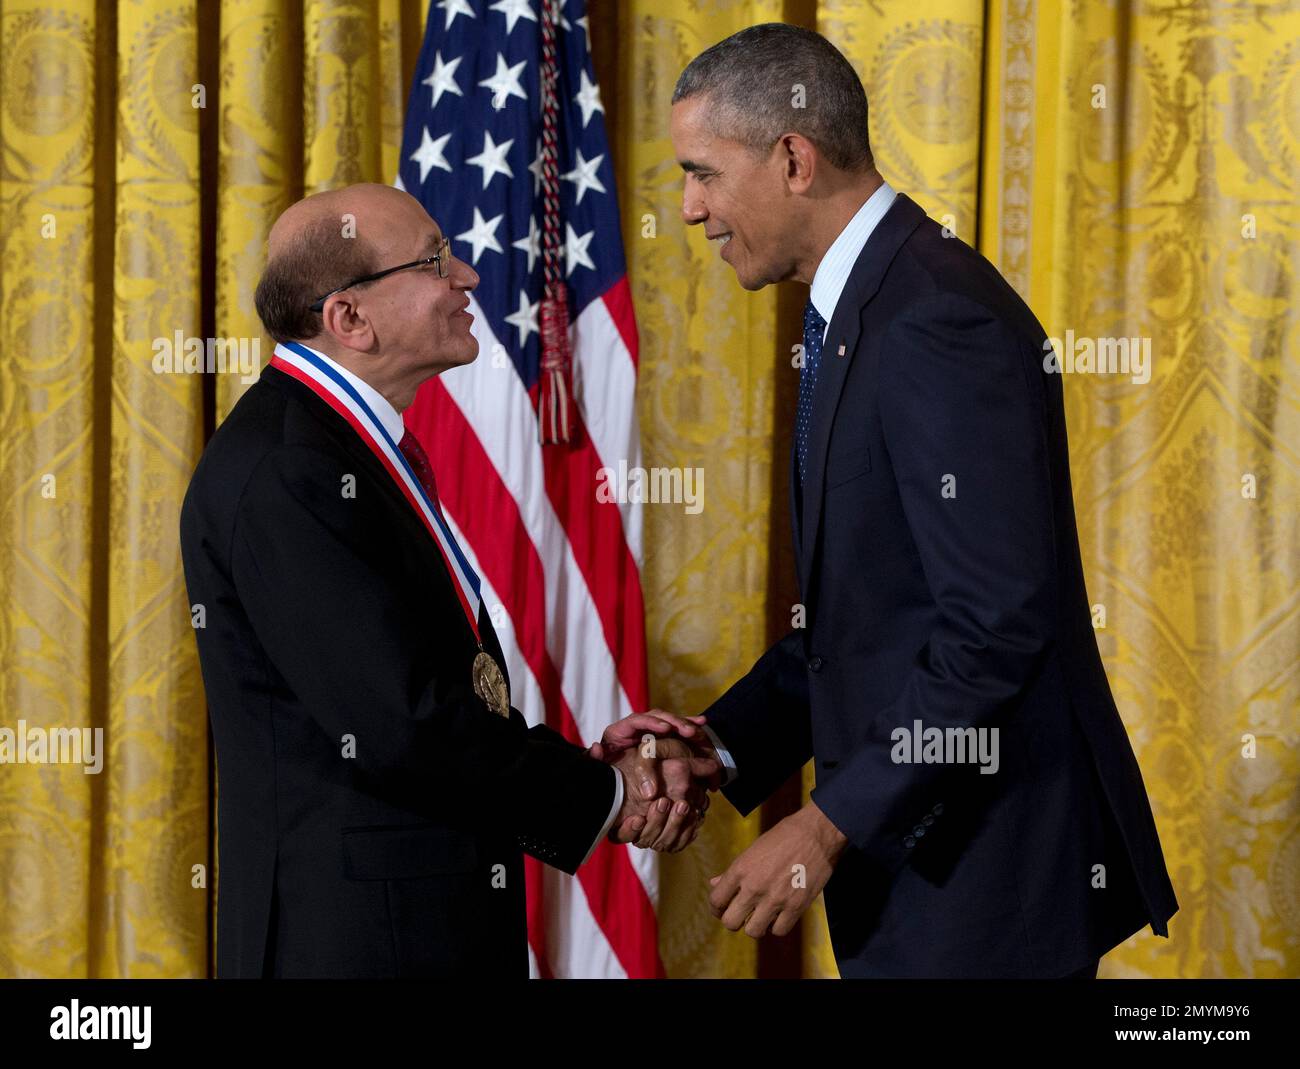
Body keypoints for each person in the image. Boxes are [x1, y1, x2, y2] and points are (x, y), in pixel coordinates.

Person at [599, 23, 1179, 979]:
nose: (691, 209)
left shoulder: (934, 316)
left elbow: (995, 628)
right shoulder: (873, 302)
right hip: (929, 888)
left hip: (988, 896)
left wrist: (828, 823)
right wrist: (725, 745)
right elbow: (871, 613)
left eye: (702, 172)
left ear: (791, 158)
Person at [179, 183, 717, 978]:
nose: (466, 276)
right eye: (434, 260)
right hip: (355, 947)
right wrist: (604, 792)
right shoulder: (290, 467)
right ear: (348, 319)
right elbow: (403, 723)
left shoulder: (340, 448)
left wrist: (585, 770)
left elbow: (423, 695)